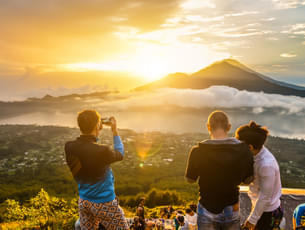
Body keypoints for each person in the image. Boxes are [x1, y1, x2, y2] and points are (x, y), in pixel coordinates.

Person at [185, 110, 254, 230]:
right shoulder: (243, 150)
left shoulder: (197, 151)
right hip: (232, 207)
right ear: (228, 127)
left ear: (208, 127)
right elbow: (248, 180)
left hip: (206, 207)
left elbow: (190, 179)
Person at [65, 110, 128, 230]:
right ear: (97, 125)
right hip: (104, 203)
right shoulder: (102, 151)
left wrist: (96, 129)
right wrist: (114, 130)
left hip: (84, 201)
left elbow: (85, 151)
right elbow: (120, 154)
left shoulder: (69, 146)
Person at [236, 121, 283, 230]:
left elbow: (265, 196)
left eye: (240, 143)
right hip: (260, 207)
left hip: (267, 212)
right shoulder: (256, 152)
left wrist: (252, 220)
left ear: (250, 146)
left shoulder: (266, 165)